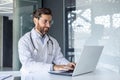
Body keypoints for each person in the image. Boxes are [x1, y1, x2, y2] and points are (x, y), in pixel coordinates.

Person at [18, 8, 75, 74]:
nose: (48, 25)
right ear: (35, 21)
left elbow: (59, 58)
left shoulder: (53, 41)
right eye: (45, 21)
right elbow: (28, 64)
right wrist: (53, 67)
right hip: (29, 76)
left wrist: (69, 65)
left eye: (50, 22)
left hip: (46, 76)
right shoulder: (24, 41)